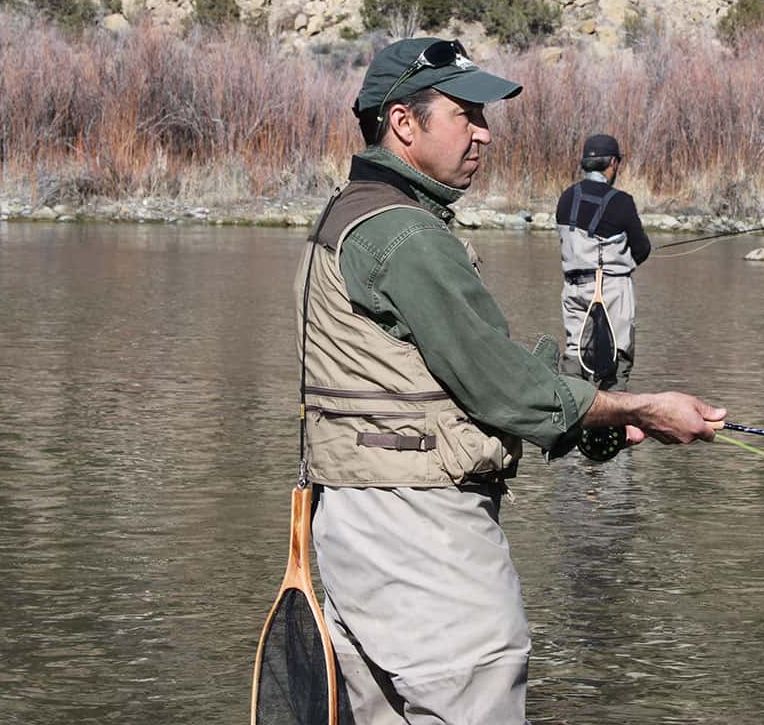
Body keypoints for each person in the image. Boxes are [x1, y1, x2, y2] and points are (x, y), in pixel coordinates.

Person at [295, 36, 725, 725]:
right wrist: (636, 406)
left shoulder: (351, 214)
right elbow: (501, 387)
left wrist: (591, 419)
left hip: (356, 527)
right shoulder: (406, 236)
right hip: (421, 538)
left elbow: (447, 381)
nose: (484, 133)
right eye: (466, 114)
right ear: (404, 123)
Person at [556, 134, 651, 391]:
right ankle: (611, 426)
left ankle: (572, 420)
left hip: (574, 289)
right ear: (612, 162)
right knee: (616, 360)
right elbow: (642, 250)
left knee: (575, 353)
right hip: (612, 291)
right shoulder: (621, 202)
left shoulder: (566, 198)